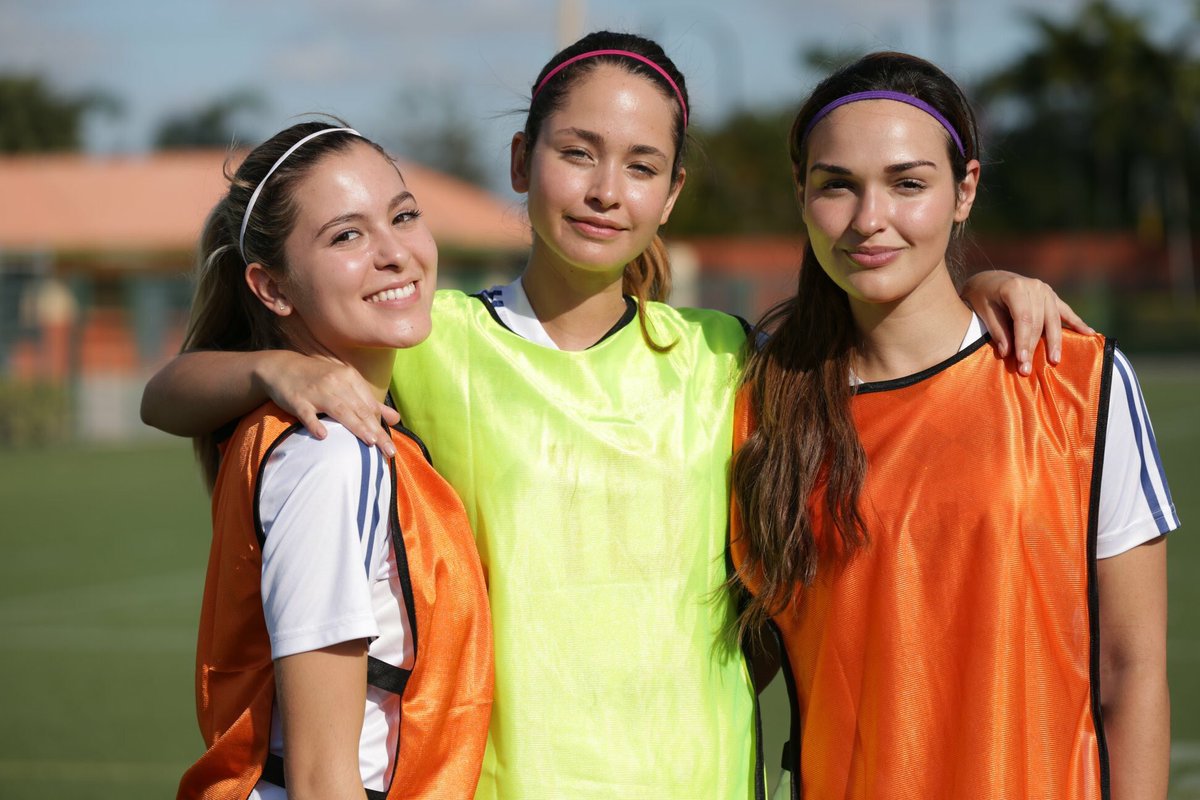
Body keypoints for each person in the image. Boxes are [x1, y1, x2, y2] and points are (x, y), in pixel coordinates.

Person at [144, 34, 1086, 799]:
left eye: (642, 166)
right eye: (576, 153)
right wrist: (272, 366)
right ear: (522, 161)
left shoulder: (726, 355)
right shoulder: (434, 341)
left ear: (672, 194)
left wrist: (996, 284)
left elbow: (888, 327)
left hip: (704, 779)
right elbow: (168, 393)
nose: (605, 191)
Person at [731, 52, 1178, 800]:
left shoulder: (1077, 382)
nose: (870, 219)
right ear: (802, 195)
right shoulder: (760, 404)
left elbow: (1131, 672)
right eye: (837, 184)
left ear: (964, 190)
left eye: (908, 183)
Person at [172, 121, 493, 800]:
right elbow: (322, 776)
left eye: (403, 216)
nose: (395, 252)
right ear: (273, 288)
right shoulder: (330, 457)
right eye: (346, 235)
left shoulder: (344, 431)